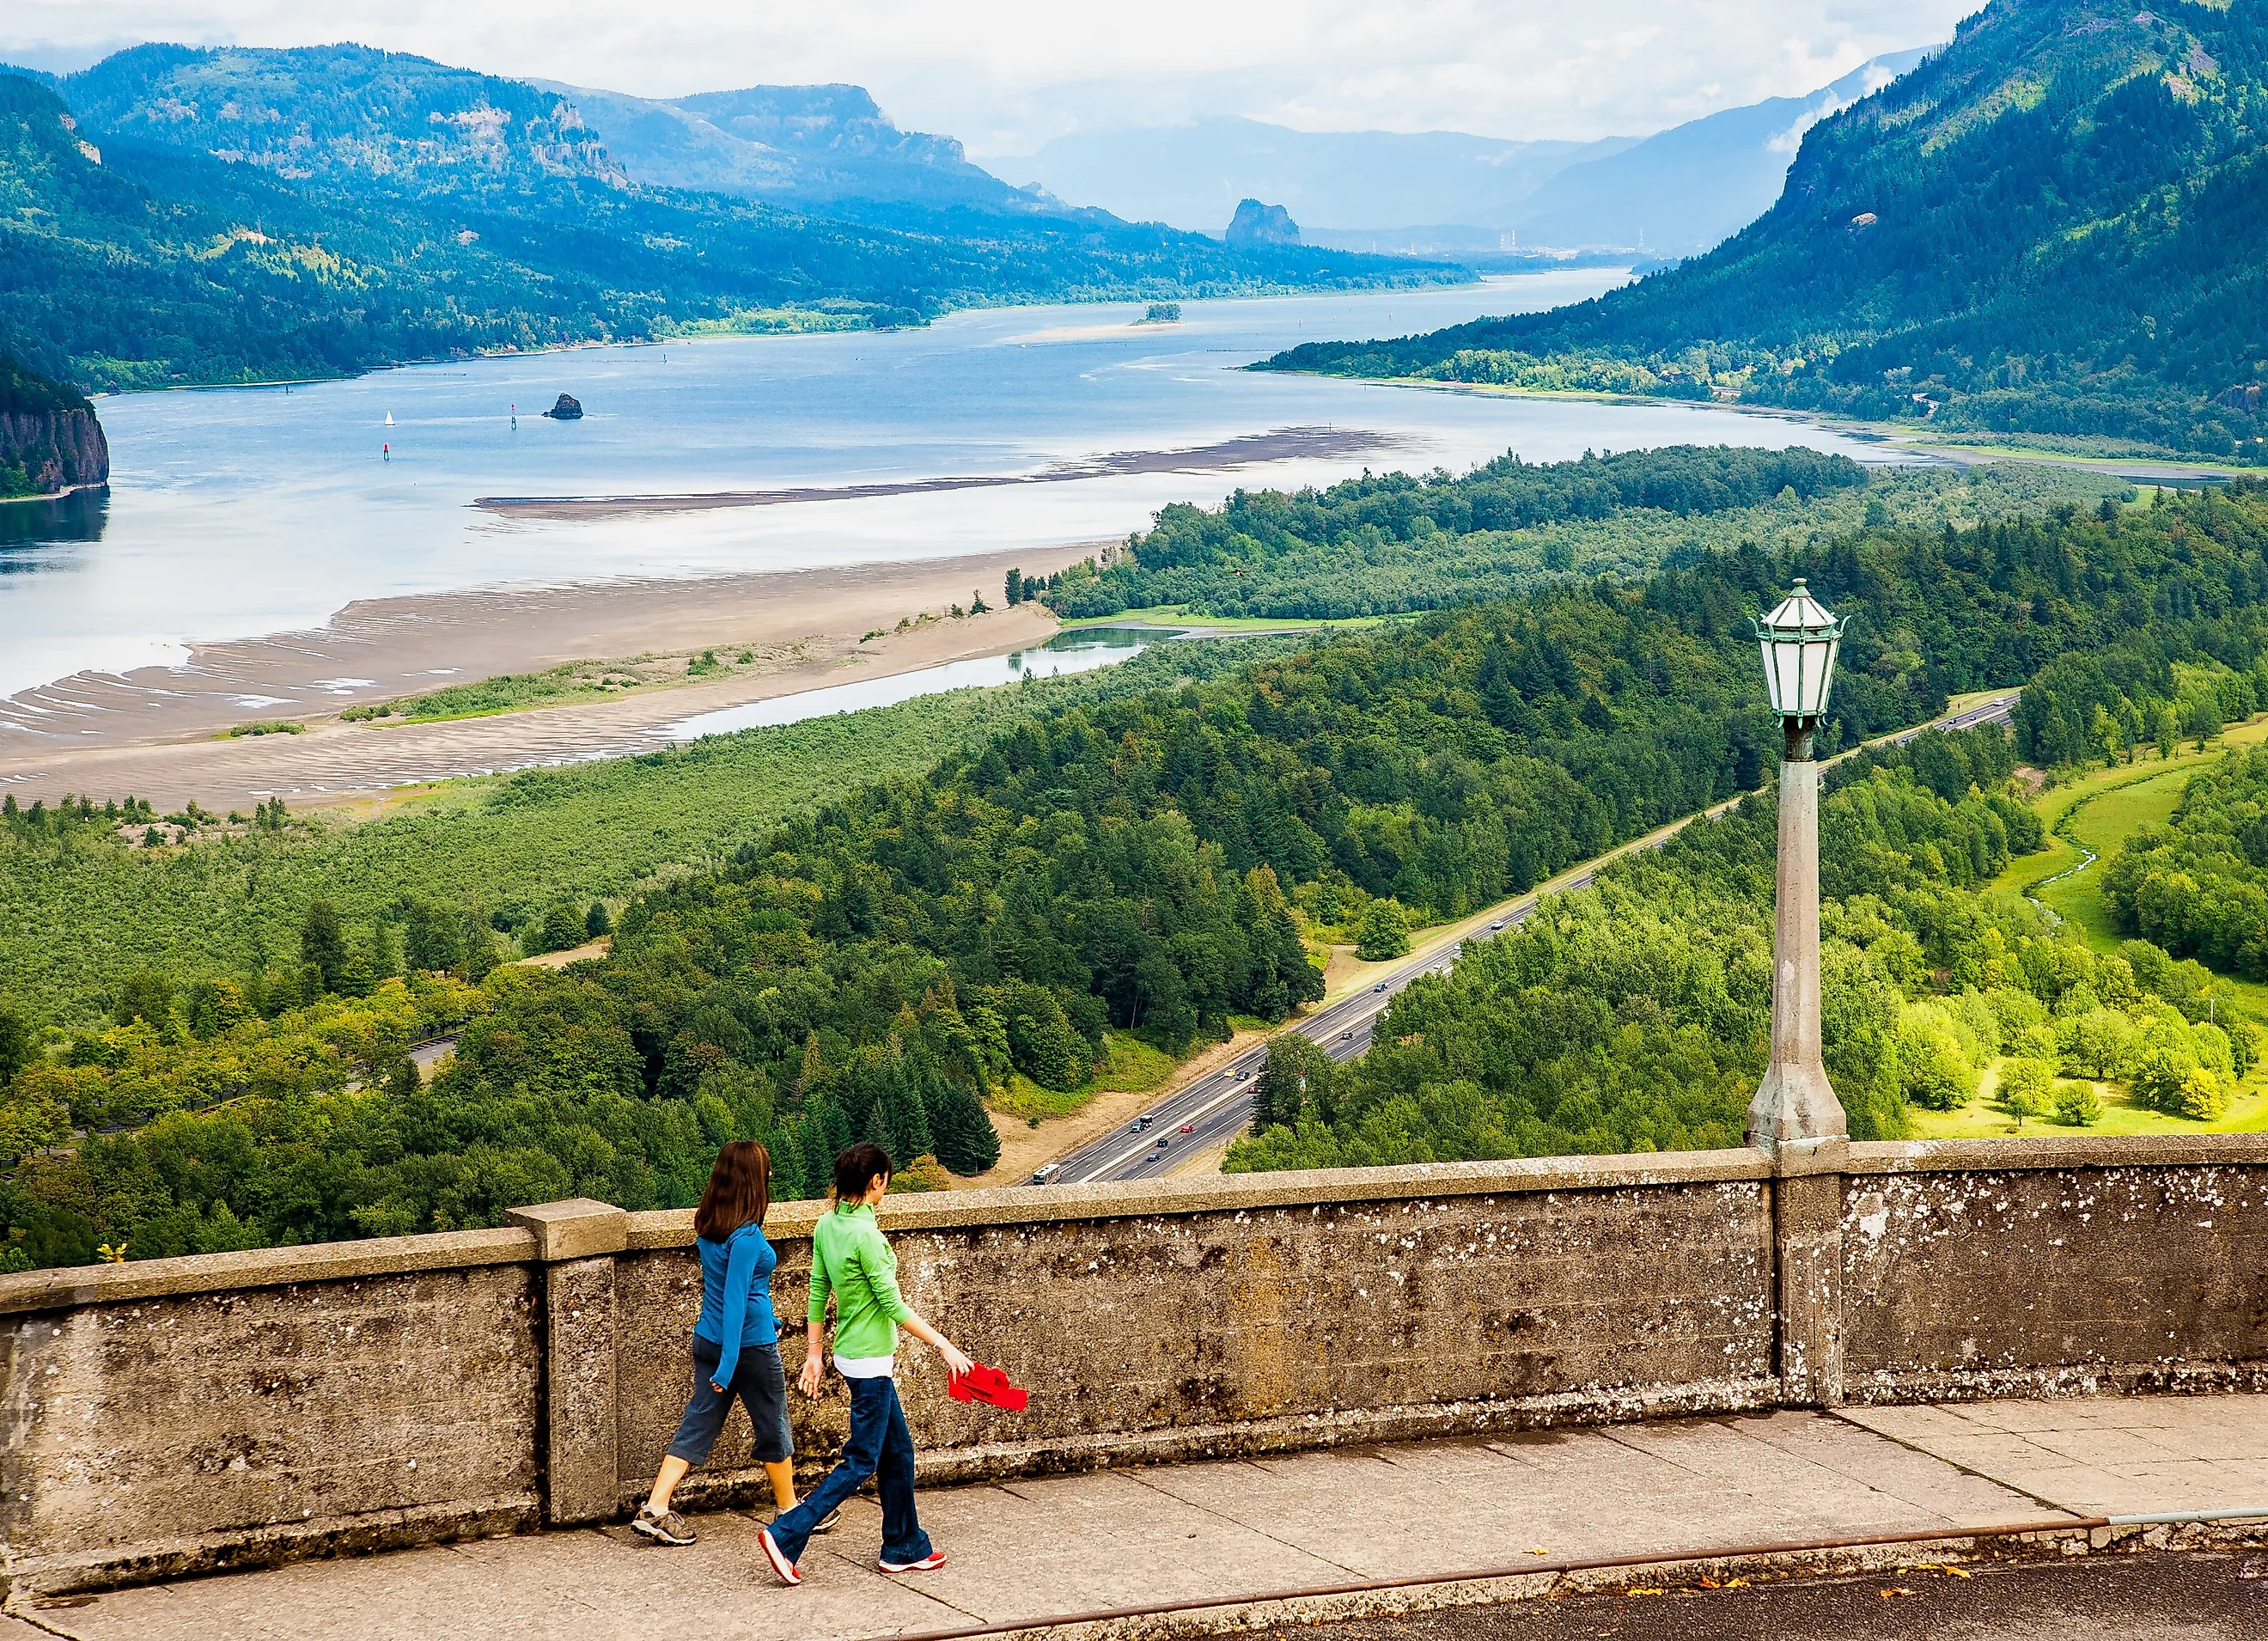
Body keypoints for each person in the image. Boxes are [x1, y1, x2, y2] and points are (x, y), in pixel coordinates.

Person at [759, 1141, 973, 1586]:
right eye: (885, 1182)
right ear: (876, 1181)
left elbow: (819, 1290)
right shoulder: (867, 1237)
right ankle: (788, 1533)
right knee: (860, 1459)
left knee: (898, 1452)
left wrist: (814, 1354)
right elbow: (894, 1306)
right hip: (872, 1360)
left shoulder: (827, 1225)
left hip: (848, 1354)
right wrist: (945, 1345)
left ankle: (904, 1545)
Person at [633, 1141, 836, 1545]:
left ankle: (656, 1507)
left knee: (699, 1421)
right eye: (766, 1170)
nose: (772, 1176)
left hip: (709, 1336)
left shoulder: (709, 1225)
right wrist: (729, 1364)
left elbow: (732, 1292)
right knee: (773, 1426)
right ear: (752, 1180)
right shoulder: (745, 1238)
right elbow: (737, 1298)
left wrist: (770, 1319)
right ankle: (790, 1512)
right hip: (746, 1348)